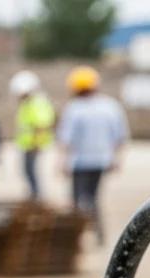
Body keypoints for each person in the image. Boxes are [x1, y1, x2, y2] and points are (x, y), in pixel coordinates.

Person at [57, 65, 128, 243]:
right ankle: (98, 234)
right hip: (102, 161)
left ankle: (76, 237)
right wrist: (117, 159)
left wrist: (62, 162)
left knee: (77, 200)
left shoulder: (74, 108)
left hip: (80, 163)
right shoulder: (110, 106)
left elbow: (66, 139)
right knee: (93, 197)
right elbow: (120, 136)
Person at [9, 70, 55, 200]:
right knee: (27, 170)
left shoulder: (36, 103)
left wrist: (36, 143)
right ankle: (34, 194)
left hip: (33, 145)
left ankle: (36, 195)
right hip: (29, 144)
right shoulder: (29, 103)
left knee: (30, 170)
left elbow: (41, 125)